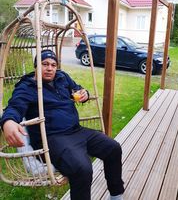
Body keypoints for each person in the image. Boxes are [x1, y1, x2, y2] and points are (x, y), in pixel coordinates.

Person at [0, 49, 124, 200]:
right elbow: (14, 106)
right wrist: (8, 121)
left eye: (53, 64)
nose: (50, 68)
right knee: (82, 168)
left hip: (76, 131)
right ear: (36, 67)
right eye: (44, 64)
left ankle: (116, 195)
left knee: (113, 148)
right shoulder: (27, 87)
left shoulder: (62, 77)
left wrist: (84, 93)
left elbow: (77, 89)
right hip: (53, 138)